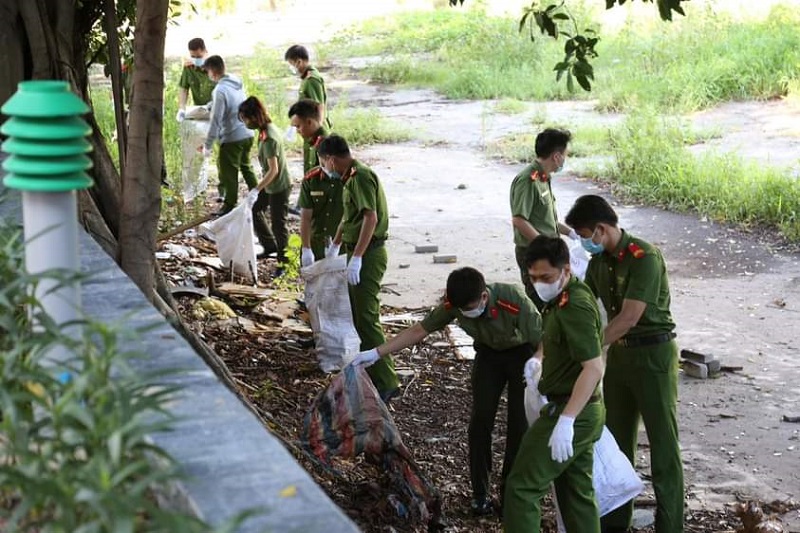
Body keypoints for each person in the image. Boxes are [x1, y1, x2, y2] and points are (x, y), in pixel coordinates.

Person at [351, 266, 542, 516]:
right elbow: (420, 330)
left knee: (519, 425)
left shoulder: (512, 299)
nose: (467, 314)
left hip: (522, 355)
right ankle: (480, 496)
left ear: (484, 297)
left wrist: (536, 363)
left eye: (470, 308)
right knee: (480, 421)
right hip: (488, 356)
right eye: (462, 311)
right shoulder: (455, 305)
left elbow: (543, 339)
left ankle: (510, 496)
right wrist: (376, 353)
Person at [565, 195, 683, 533]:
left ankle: (670, 525)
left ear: (601, 229)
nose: (586, 242)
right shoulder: (600, 262)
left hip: (653, 356)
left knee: (663, 447)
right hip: (620, 356)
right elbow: (582, 301)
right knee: (616, 443)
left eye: (587, 234)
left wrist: (588, 347)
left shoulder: (643, 257)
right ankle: (616, 523)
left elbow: (629, 317)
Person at [504, 236, 605, 532]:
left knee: (521, 487)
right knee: (576, 496)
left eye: (546, 277)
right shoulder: (559, 301)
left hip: (573, 410)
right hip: (575, 408)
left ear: (566, 270)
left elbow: (594, 367)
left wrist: (567, 420)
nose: (539, 284)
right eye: (533, 278)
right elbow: (558, 340)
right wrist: (538, 358)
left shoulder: (575, 305)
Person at [319, 135, 399, 403]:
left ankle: (387, 380)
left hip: (369, 252)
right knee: (357, 317)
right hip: (355, 250)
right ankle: (374, 375)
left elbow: (370, 217)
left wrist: (358, 257)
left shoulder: (361, 176)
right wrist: (337, 245)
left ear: (331, 158)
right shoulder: (349, 178)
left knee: (366, 317)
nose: (324, 168)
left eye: (323, 162)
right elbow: (349, 217)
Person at [509, 128, 580, 310]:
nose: (565, 160)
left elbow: (544, 219)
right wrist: (545, 246)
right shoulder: (528, 180)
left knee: (557, 300)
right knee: (541, 304)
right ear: (556, 156)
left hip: (548, 252)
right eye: (565, 155)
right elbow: (519, 219)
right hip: (534, 253)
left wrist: (571, 233)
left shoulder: (543, 178)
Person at [238, 96, 291, 266]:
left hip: (278, 187)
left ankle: (284, 261)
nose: (245, 123)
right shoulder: (264, 130)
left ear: (254, 117)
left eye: (245, 119)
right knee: (254, 209)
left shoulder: (269, 138)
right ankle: (269, 245)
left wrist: (256, 189)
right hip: (270, 186)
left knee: (278, 224)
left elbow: (274, 170)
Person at [200, 55, 256, 215]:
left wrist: (208, 145)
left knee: (229, 172)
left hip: (232, 136)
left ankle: (229, 205)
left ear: (213, 71)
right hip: (247, 131)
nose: (208, 75)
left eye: (208, 71)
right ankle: (260, 196)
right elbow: (234, 102)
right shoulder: (235, 81)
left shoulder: (220, 90)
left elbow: (216, 120)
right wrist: (210, 105)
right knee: (246, 166)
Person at [285, 45, 332, 174]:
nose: (291, 68)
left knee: (318, 168)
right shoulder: (306, 78)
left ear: (299, 61)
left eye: (291, 64)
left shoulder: (312, 80)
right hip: (308, 128)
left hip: (314, 130)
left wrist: (318, 133)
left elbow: (319, 107)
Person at [177, 37, 216, 121]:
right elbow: (184, 89)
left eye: (199, 56)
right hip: (199, 113)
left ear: (206, 52)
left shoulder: (215, 67)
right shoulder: (188, 68)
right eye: (193, 56)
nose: (196, 59)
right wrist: (182, 108)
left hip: (216, 112)